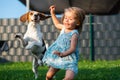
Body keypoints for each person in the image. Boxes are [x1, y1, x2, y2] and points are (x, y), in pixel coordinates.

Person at [42, 5, 85, 80]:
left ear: (78, 22)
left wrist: (63, 54)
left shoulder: (74, 34)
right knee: (49, 75)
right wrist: (52, 13)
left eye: (70, 19)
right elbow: (57, 24)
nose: (67, 20)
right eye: (65, 18)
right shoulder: (64, 28)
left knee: (69, 78)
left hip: (70, 58)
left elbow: (73, 48)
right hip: (58, 57)